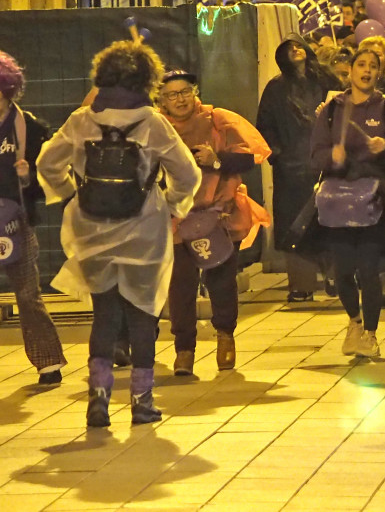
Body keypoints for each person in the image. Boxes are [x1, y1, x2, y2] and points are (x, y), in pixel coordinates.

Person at [37, 41, 201, 427]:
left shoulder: (80, 121)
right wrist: (174, 205)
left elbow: (47, 162)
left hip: (92, 230)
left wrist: (68, 196)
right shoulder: (153, 122)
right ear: (147, 79)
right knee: (143, 318)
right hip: (144, 232)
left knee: (105, 315)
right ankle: (142, 403)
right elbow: (189, 174)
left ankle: (98, 401)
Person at [158, 70, 271, 377]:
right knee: (180, 284)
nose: (180, 99)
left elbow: (250, 158)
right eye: (172, 94)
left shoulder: (218, 119)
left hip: (220, 215)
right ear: (161, 100)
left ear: (195, 92)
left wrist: (216, 159)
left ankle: (225, 337)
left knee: (222, 280)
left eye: (185, 92)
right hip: (175, 219)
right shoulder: (154, 127)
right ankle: (184, 349)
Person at [309, 48, 385, 358]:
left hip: (373, 201)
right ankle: (353, 321)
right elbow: (315, 155)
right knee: (341, 271)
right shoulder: (331, 111)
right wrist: (332, 157)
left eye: (373, 66)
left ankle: (370, 333)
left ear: (379, 73)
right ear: (350, 71)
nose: (366, 70)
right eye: (361, 65)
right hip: (337, 203)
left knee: (368, 270)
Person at [0, 51, 66, 385]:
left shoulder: (31, 129)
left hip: (18, 220)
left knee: (27, 293)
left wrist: (29, 177)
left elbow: (50, 182)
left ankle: (48, 362)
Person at [257, 36, 339, 303]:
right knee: (295, 225)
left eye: (298, 45)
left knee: (331, 220)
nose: (296, 49)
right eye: (289, 48)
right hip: (291, 169)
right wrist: (279, 155)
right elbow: (265, 125)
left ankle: (335, 276)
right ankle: (301, 285)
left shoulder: (326, 80)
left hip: (327, 162)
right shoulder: (275, 89)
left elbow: (345, 110)